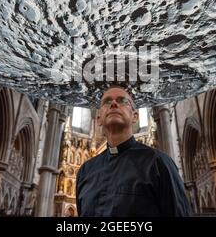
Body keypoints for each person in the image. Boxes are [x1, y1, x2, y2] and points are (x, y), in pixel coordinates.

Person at [76, 86, 192, 217]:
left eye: (122, 101)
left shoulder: (158, 163)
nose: (114, 104)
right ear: (98, 119)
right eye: (107, 101)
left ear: (135, 116)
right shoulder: (85, 171)